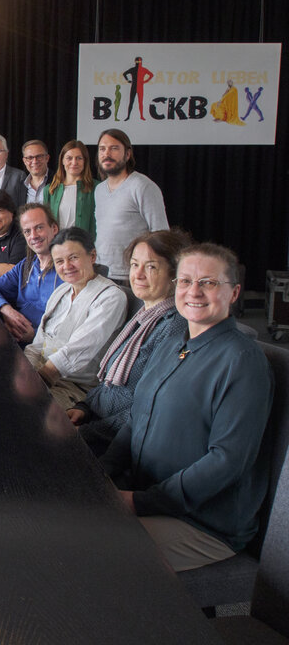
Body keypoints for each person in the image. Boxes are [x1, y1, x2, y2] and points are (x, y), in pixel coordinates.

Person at [101, 243, 272, 572]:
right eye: (184, 281)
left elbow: (227, 461)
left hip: (202, 523)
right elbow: (138, 419)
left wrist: (139, 501)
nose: (194, 291)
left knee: (91, 558)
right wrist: (102, 472)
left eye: (209, 282)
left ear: (234, 293)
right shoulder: (171, 344)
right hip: (147, 495)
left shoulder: (242, 362)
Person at [69, 230, 190, 454]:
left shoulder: (175, 327)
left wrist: (86, 433)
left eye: (151, 266)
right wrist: (83, 408)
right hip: (98, 423)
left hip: (120, 445)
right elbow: (110, 387)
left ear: (175, 274)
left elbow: (147, 411)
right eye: (135, 265)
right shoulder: (143, 315)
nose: (139, 274)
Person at [24, 227, 127, 411]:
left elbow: (76, 351)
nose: (67, 266)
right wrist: (25, 370)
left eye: (74, 258)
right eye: (59, 261)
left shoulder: (110, 297)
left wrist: (36, 383)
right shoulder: (61, 291)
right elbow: (39, 344)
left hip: (73, 388)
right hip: (40, 373)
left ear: (92, 256)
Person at [94, 128, 169, 283]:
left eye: (114, 148)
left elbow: (161, 235)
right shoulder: (99, 190)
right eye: (102, 149)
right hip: (103, 274)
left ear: (127, 154)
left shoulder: (142, 186)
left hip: (134, 277)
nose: (106, 154)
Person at [0, 203, 61, 343]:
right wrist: (7, 310)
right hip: (14, 341)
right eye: (27, 231)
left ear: (54, 228)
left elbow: (70, 329)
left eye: (39, 227)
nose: (33, 236)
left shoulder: (66, 272)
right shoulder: (26, 265)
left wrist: (35, 336)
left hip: (45, 348)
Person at [44, 140, 97, 237]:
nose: (74, 162)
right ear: (62, 161)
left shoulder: (96, 188)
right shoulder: (50, 190)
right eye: (69, 158)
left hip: (85, 248)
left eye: (79, 158)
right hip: (58, 247)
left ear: (85, 161)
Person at [21, 139, 51, 203]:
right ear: (24, 161)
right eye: (30, 157)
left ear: (47, 158)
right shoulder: (20, 186)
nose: (35, 161)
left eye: (39, 156)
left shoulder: (58, 182)